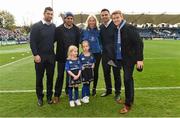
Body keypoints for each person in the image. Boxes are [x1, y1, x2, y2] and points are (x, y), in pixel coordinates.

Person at [111, 10, 144, 113]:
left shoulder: (129, 28)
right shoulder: (117, 29)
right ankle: (130, 99)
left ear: (122, 17)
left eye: (117, 17)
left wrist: (139, 59)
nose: (115, 19)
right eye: (114, 18)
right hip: (120, 58)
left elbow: (139, 43)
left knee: (127, 79)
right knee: (128, 79)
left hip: (129, 59)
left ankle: (128, 104)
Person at [30, 7, 56, 106]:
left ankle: (49, 97)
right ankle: (40, 98)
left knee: (50, 78)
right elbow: (32, 41)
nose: (50, 15)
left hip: (51, 57)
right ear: (44, 14)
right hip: (39, 57)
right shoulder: (36, 26)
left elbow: (53, 40)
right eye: (48, 13)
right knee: (39, 78)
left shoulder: (53, 26)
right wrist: (35, 54)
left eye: (51, 14)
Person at [53, 12, 81, 104]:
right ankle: (57, 95)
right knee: (60, 76)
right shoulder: (58, 29)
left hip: (72, 58)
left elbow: (78, 43)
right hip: (61, 58)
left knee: (70, 76)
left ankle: (68, 91)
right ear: (64, 19)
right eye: (68, 18)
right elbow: (52, 41)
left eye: (71, 18)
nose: (70, 20)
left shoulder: (77, 29)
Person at [99, 9, 121, 102]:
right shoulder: (101, 27)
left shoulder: (115, 25)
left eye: (106, 15)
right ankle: (108, 90)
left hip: (114, 56)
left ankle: (117, 92)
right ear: (101, 16)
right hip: (105, 56)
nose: (104, 16)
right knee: (106, 73)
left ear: (109, 15)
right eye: (102, 15)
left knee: (116, 74)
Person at [81, 14, 101, 96]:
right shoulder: (84, 30)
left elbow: (102, 41)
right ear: (88, 21)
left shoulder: (99, 30)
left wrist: (101, 49)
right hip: (87, 54)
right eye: (90, 20)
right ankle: (86, 87)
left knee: (95, 70)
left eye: (93, 20)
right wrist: (84, 46)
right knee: (86, 70)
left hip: (97, 53)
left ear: (95, 21)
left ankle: (94, 88)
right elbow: (81, 40)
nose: (92, 22)